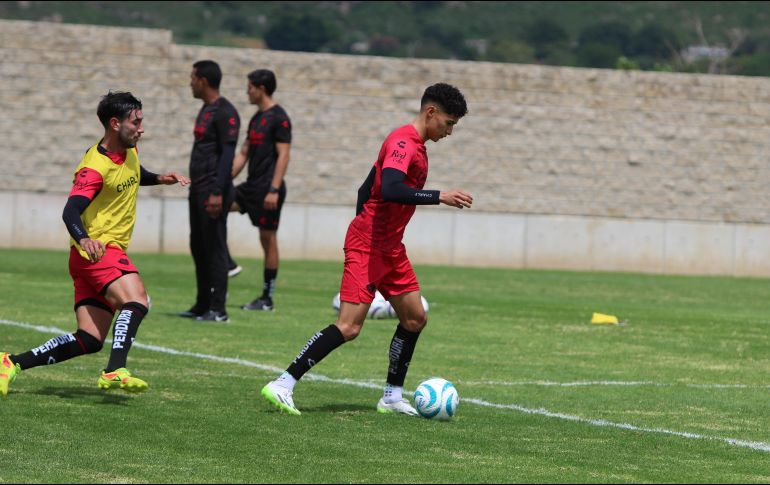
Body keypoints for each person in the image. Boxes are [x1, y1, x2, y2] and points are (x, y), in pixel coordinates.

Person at [260, 83, 472, 416]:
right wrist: (436, 196)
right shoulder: (403, 141)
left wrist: (375, 226)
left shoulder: (414, 144)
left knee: (415, 318)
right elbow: (389, 188)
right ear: (431, 112)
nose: (449, 132)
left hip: (389, 247)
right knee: (349, 326)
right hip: (369, 245)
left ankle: (391, 396)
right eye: (448, 123)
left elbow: (365, 187)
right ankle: (283, 383)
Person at [0, 91, 189, 396]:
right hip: (99, 251)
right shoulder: (93, 168)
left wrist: (160, 178)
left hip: (90, 257)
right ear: (115, 124)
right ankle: (115, 370)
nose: (141, 128)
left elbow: (132, 174)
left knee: (88, 339)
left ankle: (10, 363)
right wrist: (85, 238)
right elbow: (71, 210)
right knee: (137, 300)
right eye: (135, 122)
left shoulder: (129, 149)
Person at [178, 60, 240, 322]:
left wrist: (217, 191)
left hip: (213, 191)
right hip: (198, 188)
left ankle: (218, 309)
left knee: (215, 248)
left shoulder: (226, 112)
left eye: (193, 77)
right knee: (198, 246)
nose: (190, 82)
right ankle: (202, 303)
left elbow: (227, 155)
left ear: (203, 80)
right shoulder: (206, 109)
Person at [229, 69, 292, 311]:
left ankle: (267, 297)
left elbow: (284, 154)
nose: (247, 91)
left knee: (267, 240)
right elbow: (244, 152)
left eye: (250, 87)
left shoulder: (279, 117)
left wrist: (274, 189)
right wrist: (223, 181)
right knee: (214, 206)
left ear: (261, 88)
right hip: (250, 187)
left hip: (269, 188)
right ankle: (226, 263)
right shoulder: (257, 118)